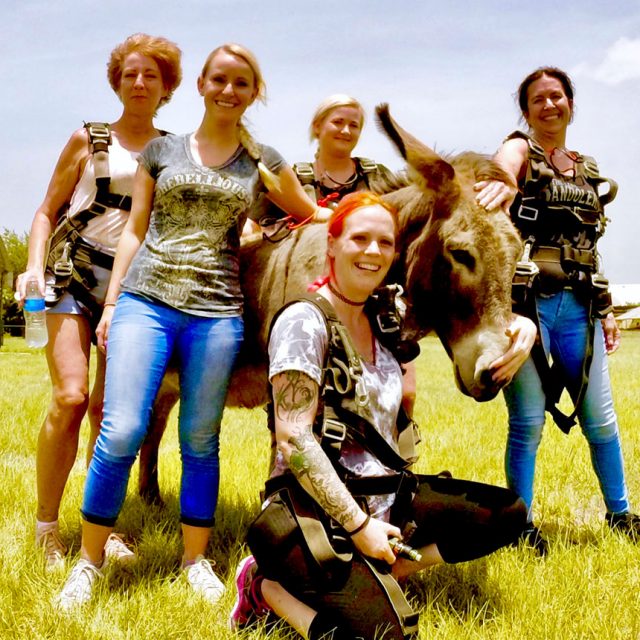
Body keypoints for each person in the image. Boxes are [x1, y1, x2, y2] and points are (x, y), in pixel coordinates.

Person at [54, 42, 328, 611]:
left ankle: (195, 560)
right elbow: (135, 229)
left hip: (217, 312)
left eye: (242, 84)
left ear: (254, 94)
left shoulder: (263, 159)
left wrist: (368, 212)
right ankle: (89, 562)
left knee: (201, 440)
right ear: (201, 85)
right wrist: (110, 305)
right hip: (145, 302)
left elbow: (309, 211)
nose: (230, 91)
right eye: (220, 80)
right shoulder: (162, 150)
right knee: (122, 428)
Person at [229, 192, 530, 639]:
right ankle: (265, 587)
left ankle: (386, 572)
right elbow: (293, 441)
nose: (373, 252)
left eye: (384, 243)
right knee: (388, 635)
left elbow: (458, 299)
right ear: (331, 244)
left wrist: (522, 325)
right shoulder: (303, 322)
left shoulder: (389, 316)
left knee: (507, 513)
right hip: (315, 509)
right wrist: (360, 526)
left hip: (386, 493)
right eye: (360, 238)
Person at [15, 33, 182, 569]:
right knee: (70, 397)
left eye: (151, 75)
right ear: (118, 81)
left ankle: (99, 525)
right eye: (130, 73)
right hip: (72, 275)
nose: (139, 82)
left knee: (110, 413)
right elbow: (46, 211)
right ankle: (46, 526)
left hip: (134, 288)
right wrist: (32, 268)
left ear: (166, 87)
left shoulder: (175, 152)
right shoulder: (88, 139)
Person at [475, 66, 640, 549]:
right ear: (525, 111)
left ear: (570, 103)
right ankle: (519, 524)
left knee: (601, 420)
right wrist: (503, 179)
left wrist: (606, 308)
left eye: (556, 96)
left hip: (581, 308)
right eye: (537, 100)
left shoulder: (587, 170)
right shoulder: (520, 150)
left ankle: (622, 515)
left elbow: (589, 244)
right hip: (526, 310)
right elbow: (502, 167)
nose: (549, 105)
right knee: (527, 420)